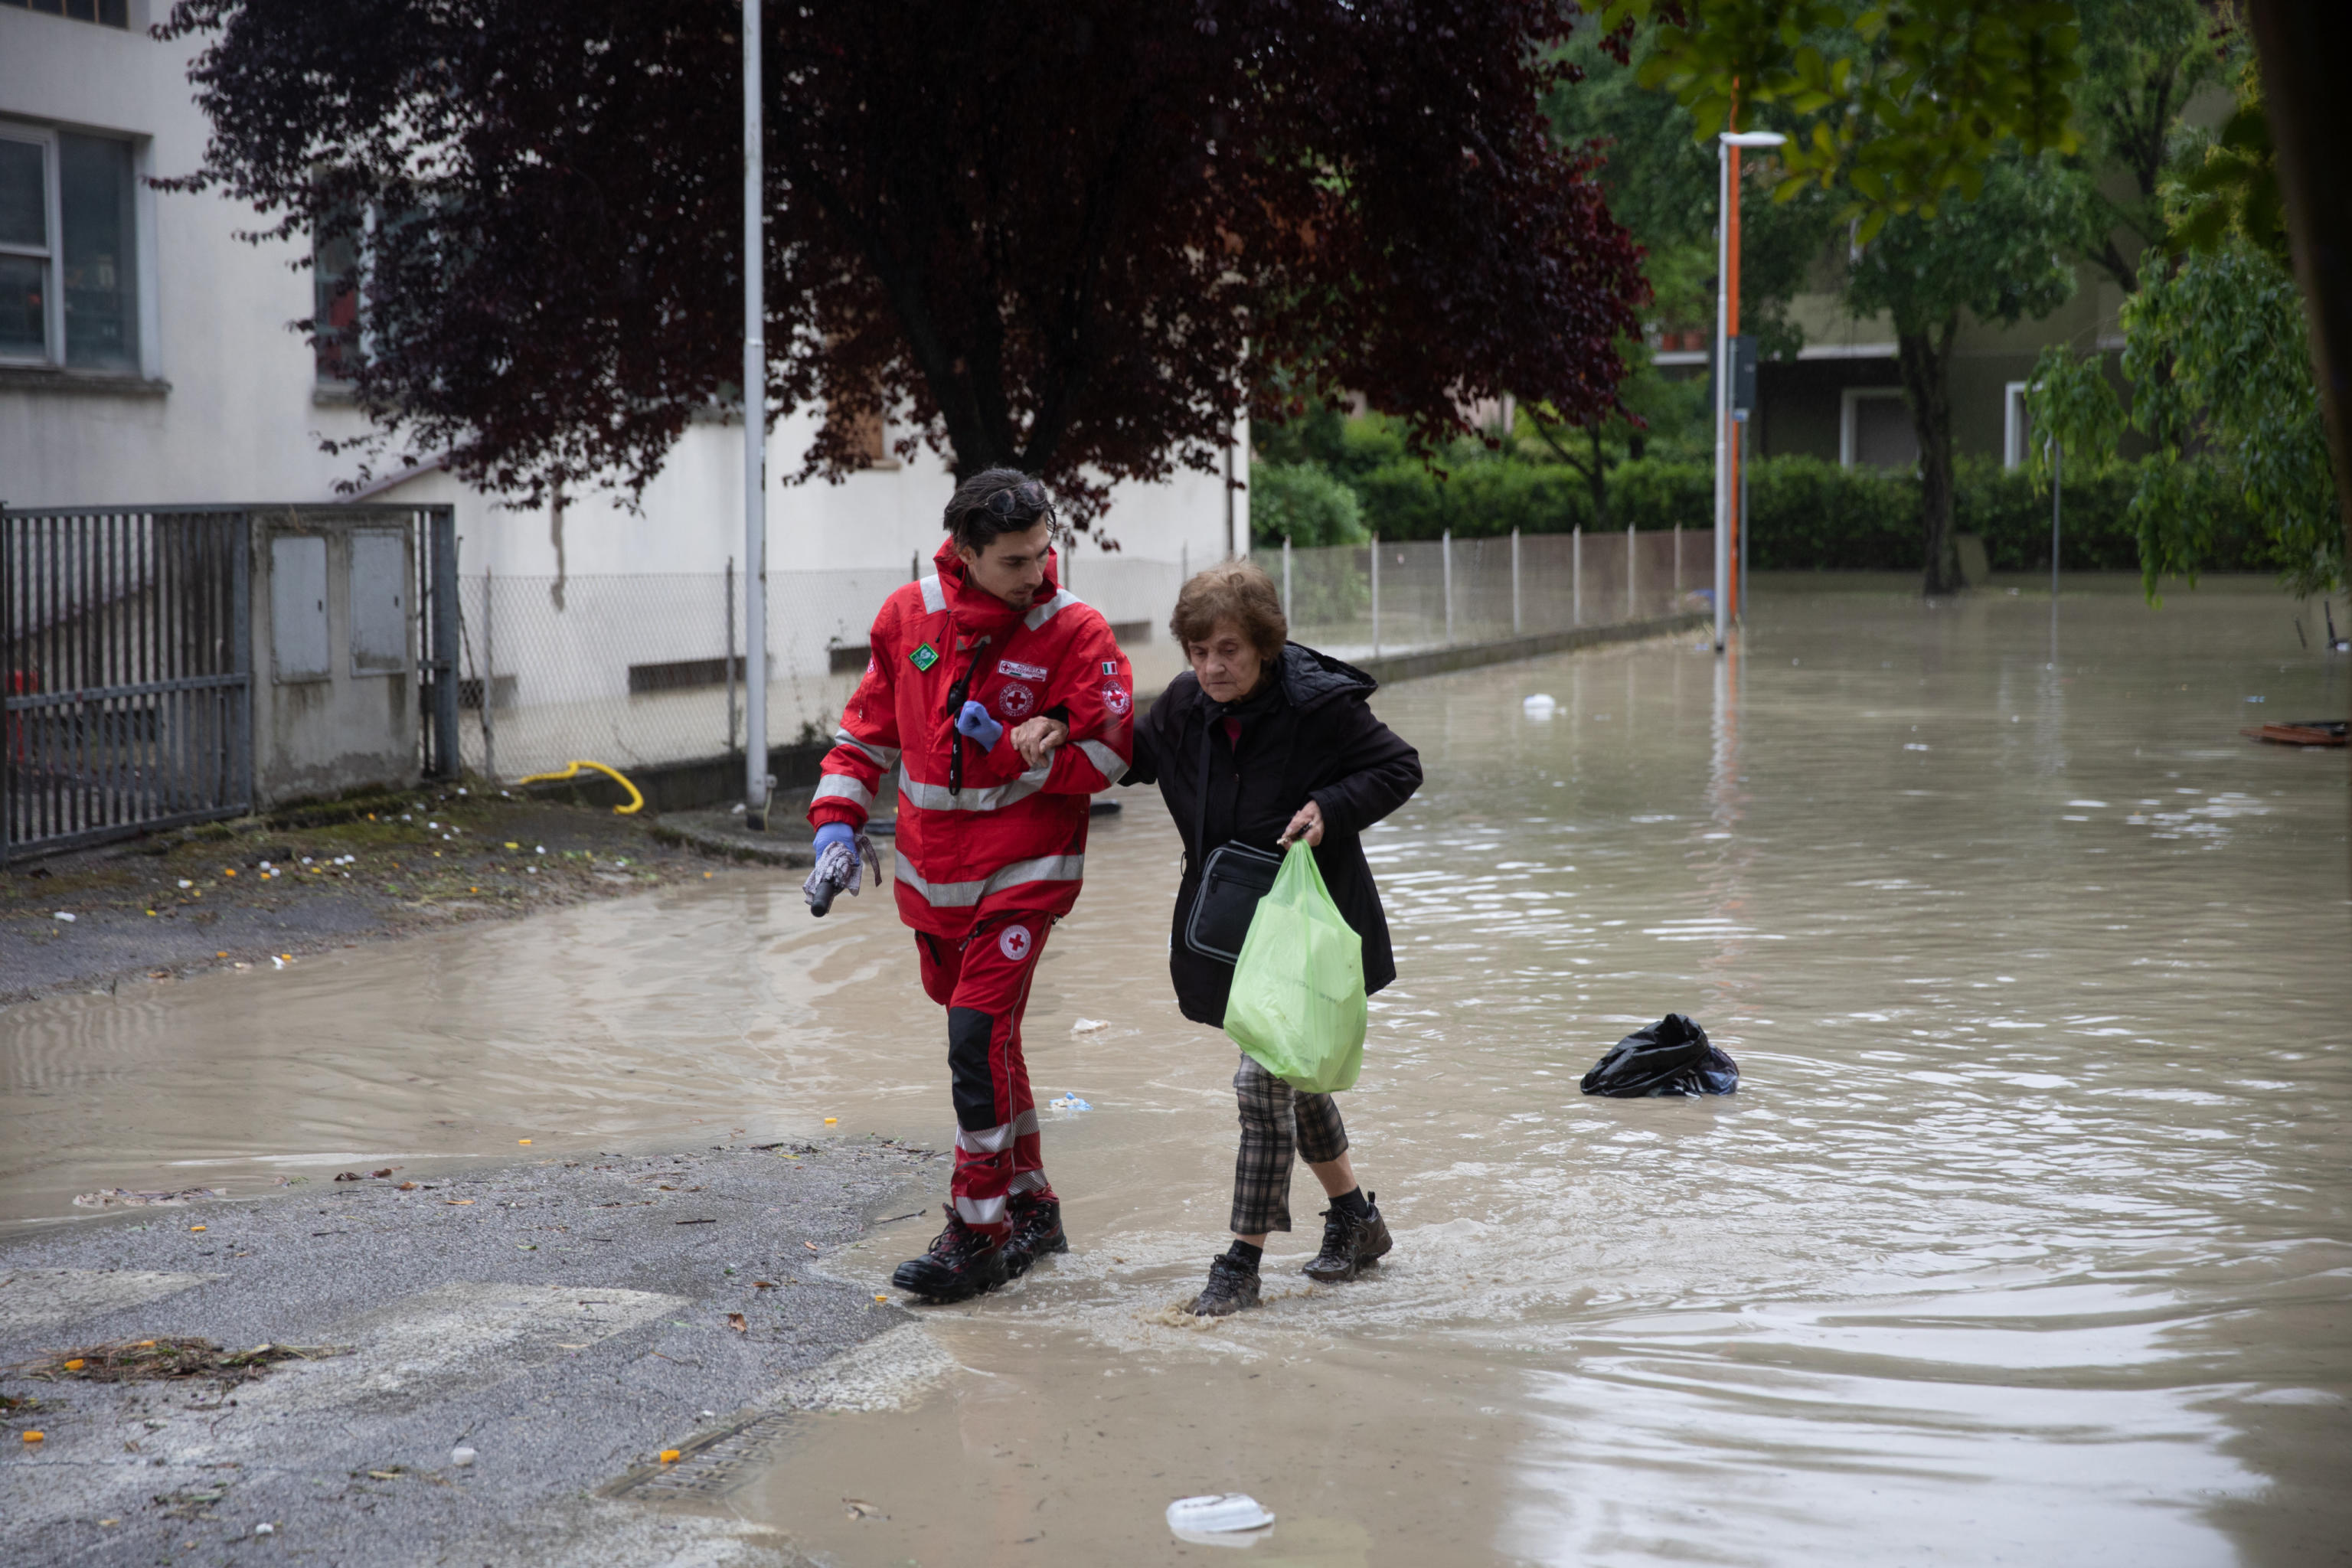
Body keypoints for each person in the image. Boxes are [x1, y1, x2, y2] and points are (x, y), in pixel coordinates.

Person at [803, 469, 1133, 1304]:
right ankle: (1034, 1208)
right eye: (1016, 561)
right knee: (992, 1043)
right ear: (964, 552)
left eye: (1043, 554)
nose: (1037, 573)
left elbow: (1111, 757)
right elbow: (865, 737)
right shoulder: (908, 618)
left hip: (1027, 872)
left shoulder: (1077, 631)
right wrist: (836, 825)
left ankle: (976, 1231)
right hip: (935, 881)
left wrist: (1031, 749)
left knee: (974, 1036)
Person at [1120, 560, 1420, 1316]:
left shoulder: (1319, 705)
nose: (1212, 667)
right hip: (1231, 932)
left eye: (1229, 650)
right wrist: (1059, 726)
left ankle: (1240, 1264)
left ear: (1264, 644)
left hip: (1309, 931)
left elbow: (1399, 766)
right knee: (1293, 1073)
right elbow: (1129, 754)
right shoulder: (1185, 704)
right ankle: (1356, 1220)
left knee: (1261, 1086)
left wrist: (1330, 807)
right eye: (1198, 651)